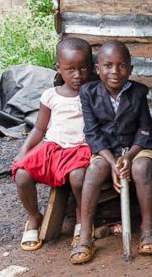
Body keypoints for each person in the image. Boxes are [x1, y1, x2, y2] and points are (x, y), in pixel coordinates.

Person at [76, 40, 152, 264]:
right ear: (97, 69)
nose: (115, 71)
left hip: (136, 149)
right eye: (108, 65)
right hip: (106, 152)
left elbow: (144, 131)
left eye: (122, 65)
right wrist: (114, 163)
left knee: (142, 168)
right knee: (94, 170)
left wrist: (129, 157)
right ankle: (85, 237)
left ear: (130, 69)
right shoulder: (88, 92)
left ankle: (147, 230)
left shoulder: (138, 92)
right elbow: (92, 134)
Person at [12, 37, 94, 251]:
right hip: (53, 148)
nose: (77, 75)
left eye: (83, 68)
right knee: (22, 175)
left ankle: (81, 217)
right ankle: (34, 216)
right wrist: (24, 150)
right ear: (58, 68)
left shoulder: (94, 93)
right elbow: (39, 129)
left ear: (92, 67)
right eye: (70, 69)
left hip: (80, 149)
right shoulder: (50, 95)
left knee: (78, 178)